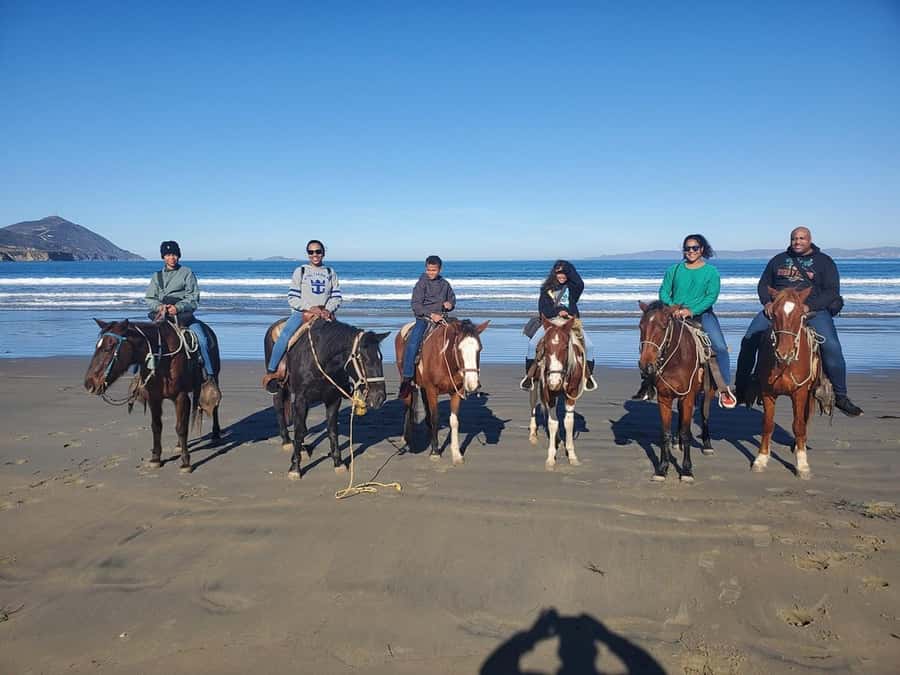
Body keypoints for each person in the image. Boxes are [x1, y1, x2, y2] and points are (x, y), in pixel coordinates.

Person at [734, 226, 863, 416]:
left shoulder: (824, 262)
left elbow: (832, 291)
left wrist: (809, 307)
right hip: (779, 310)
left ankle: (840, 395)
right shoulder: (778, 260)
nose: (797, 241)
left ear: (809, 240)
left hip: (812, 311)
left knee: (831, 346)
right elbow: (764, 284)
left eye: (802, 238)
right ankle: (742, 388)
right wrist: (768, 302)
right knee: (749, 338)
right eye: (794, 238)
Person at [636, 234, 736, 408]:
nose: (691, 251)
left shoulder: (711, 272)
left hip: (702, 314)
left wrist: (691, 310)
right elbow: (664, 291)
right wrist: (672, 307)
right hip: (673, 314)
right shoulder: (674, 270)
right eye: (687, 248)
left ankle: (724, 388)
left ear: (702, 249)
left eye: (694, 248)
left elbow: (711, 296)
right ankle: (648, 384)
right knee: (651, 342)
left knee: (719, 347)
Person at [261, 240, 342, 392]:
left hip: (325, 314)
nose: (315, 255)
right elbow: (292, 297)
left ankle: (343, 379)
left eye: (318, 251)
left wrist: (327, 309)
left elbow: (336, 296)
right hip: (303, 313)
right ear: (308, 254)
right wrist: (310, 308)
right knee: (285, 335)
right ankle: (272, 373)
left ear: (323, 253)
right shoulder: (301, 271)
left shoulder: (331, 272)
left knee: (344, 340)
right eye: (311, 252)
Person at [145, 240, 218, 387]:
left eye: (174, 255)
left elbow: (194, 297)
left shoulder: (187, 273)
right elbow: (149, 298)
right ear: (163, 257)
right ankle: (139, 378)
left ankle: (210, 377)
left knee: (203, 340)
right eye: (168, 255)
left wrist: (178, 308)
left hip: (184, 316)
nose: (171, 258)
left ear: (178, 256)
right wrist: (160, 307)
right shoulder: (156, 276)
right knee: (144, 341)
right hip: (162, 315)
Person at [520, 260, 597, 392]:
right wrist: (558, 312)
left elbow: (580, 282)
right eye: (559, 273)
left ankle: (587, 377)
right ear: (554, 274)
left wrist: (566, 266)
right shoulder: (545, 290)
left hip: (570, 323)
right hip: (551, 322)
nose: (562, 276)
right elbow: (543, 310)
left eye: (564, 273)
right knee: (532, 344)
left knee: (590, 346)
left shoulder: (572, 288)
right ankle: (529, 377)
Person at [398, 255, 456, 399]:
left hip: (442, 318)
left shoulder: (445, 284)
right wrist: (431, 315)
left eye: (434, 270)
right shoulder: (421, 284)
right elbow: (416, 305)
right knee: (413, 342)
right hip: (424, 319)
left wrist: (450, 304)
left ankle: (460, 375)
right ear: (426, 268)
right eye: (429, 270)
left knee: (460, 337)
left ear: (439, 269)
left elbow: (452, 298)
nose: (431, 272)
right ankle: (407, 378)